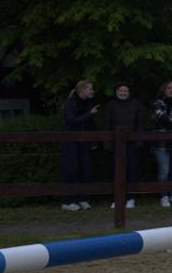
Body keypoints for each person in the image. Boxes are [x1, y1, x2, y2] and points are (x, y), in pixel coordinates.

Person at [59, 80, 99, 211]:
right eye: (90, 89)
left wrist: (94, 141)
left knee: (86, 169)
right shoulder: (69, 103)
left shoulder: (89, 103)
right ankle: (67, 201)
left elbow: (91, 124)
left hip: (85, 142)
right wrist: (89, 114)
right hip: (70, 141)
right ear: (82, 90)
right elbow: (71, 121)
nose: (92, 91)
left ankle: (83, 199)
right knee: (71, 170)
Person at [104, 82, 144, 209]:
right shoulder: (110, 105)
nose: (123, 93)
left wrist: (139, 141)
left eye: (125, 91)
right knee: (115, 171)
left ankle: (131, 198)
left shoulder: (136, 104)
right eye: (120, 90)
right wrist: (107, 144)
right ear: (116, 92)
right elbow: (107, 124)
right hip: (115, 144)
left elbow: (140, 123)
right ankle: (116, 199)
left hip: (132, 143)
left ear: (129, 92)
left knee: (132, 170)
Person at [149, 79, 172, 207]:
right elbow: (161, 118)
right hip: (161, 143)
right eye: (169, 88)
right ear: (164, 90)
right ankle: (164, 196)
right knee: (164, 170)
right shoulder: (158, 103)